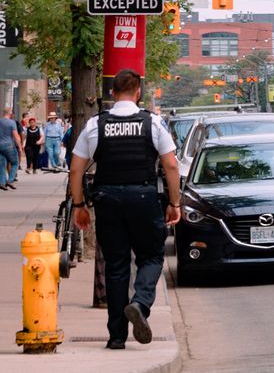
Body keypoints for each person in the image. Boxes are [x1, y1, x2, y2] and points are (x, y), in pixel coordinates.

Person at [70, 69, 181, 350]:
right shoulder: (153, 123)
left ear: (112, 93)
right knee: (151, 257)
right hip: (143, 197)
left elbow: (75, 169)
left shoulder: (96, 125)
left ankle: (116, 336)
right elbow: (170, 166)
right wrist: (174, 203)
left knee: (116, 266)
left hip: (108, 199)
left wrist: (79, 205)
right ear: (138, 92)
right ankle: (140, 304)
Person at [0, 108, 19, 190]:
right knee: (15, 163)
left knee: (2, 165)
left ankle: (2, 182)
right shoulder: (12, 122)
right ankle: (10, 180)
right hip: (9, 145)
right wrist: (20, 146)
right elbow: (15, 135)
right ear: (10, 113)